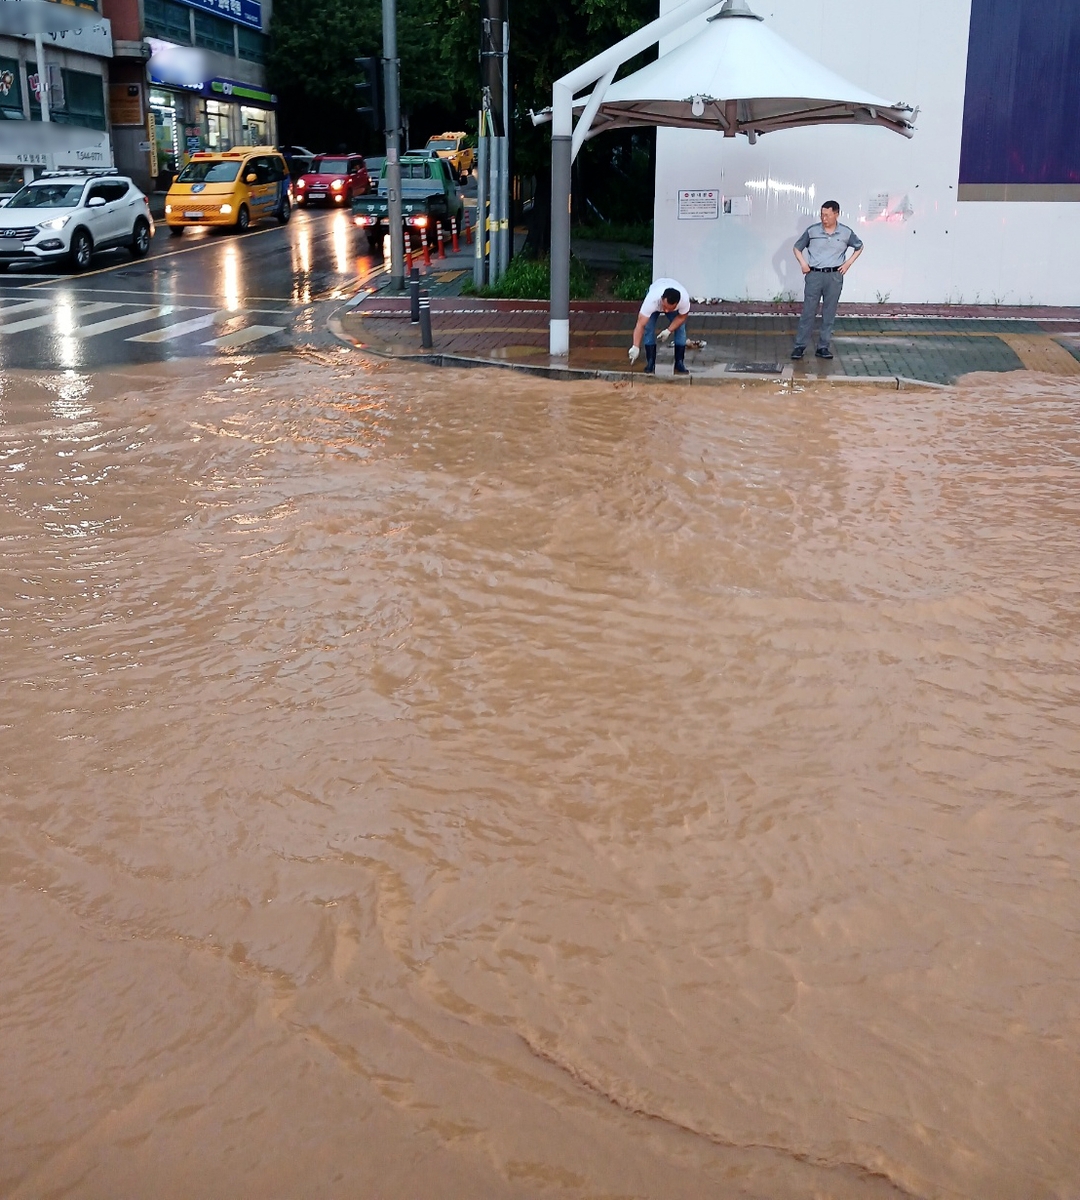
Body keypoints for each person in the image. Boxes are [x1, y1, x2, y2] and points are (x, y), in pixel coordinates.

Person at [790, 201, 863, 361]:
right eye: (822, 214)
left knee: (829, 313)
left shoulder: (845, 232)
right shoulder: (812, 231)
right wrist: (803, 263)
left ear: (836, 214)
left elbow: (859, 246)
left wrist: (848, 263)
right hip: (814, 276)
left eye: (827, 215)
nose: (824, 218)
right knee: (808, 312)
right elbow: (797, 247)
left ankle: (823, 347)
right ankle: (800, 347)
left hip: (834, 276)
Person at [629, 278, 691, 375]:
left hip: (672, 297)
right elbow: (640, 324)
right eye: (664, 307)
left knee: (680, 328)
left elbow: (682, 317)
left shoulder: (684, 300)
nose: (665, 311)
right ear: (662, 299)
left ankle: (679, 363)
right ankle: (650, 362)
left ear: (677, 304)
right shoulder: (651, 300)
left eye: (670, 308)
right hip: (655, 299)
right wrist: (635, 346)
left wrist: (668, 330)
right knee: (648, 328)